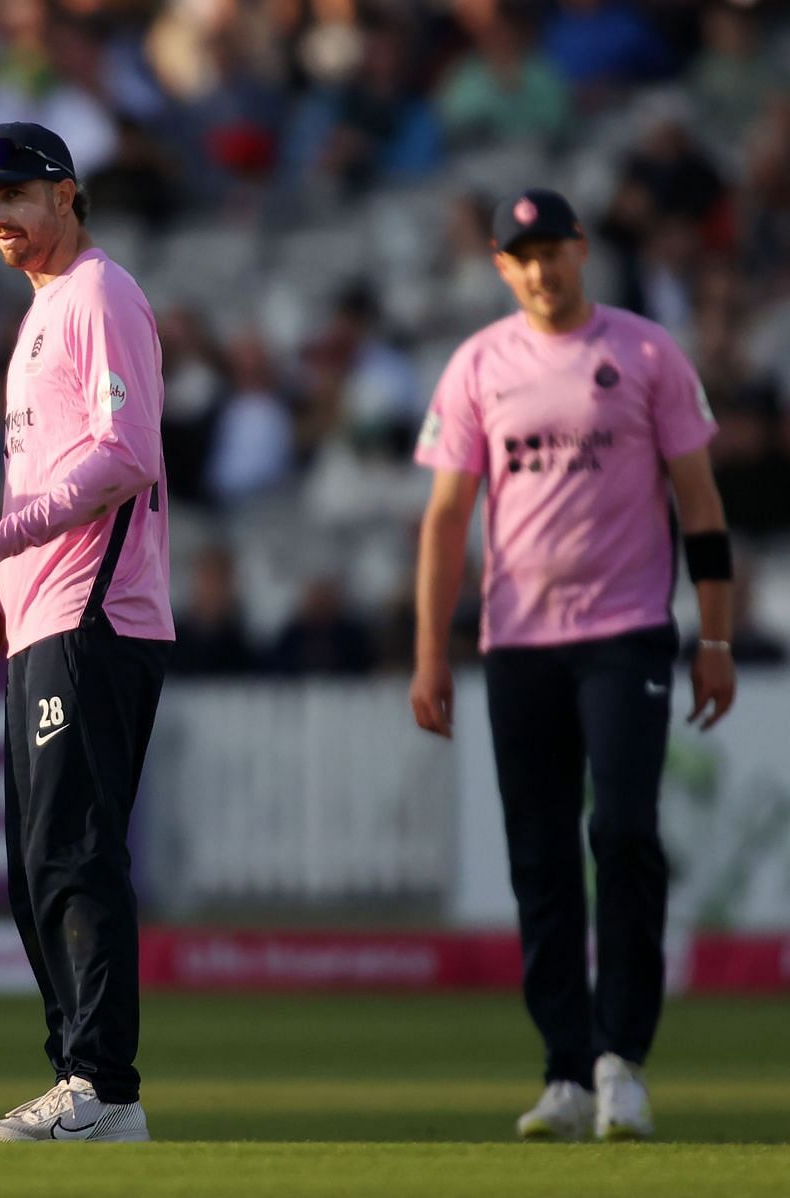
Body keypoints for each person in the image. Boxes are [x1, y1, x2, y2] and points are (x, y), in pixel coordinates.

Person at [409, 188, 735, 1142]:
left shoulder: (644, 354)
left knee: (625, 831)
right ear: (502, 268)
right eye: (523, 255)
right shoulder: (478, 364)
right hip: (517, 644)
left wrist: (713, 639)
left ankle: (619, 1058)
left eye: (555, 249)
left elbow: (702, 508)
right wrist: (431, 649)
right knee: (540, 858)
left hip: (626, 631)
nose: (542, 268)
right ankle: (564, 1070)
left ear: (582, 250)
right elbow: (444, 522)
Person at [0, 122, 171, 1144]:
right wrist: (1, 599)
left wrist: (1, 546)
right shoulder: (42, 314)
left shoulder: (99, 293)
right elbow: (56, 474)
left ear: (69, 193)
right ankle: (85, 1082)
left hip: (100, 614)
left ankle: (101, 1086)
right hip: (48, 611)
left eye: (16, 192)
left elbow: (126, 457)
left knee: (73, 851)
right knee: (38, 860)